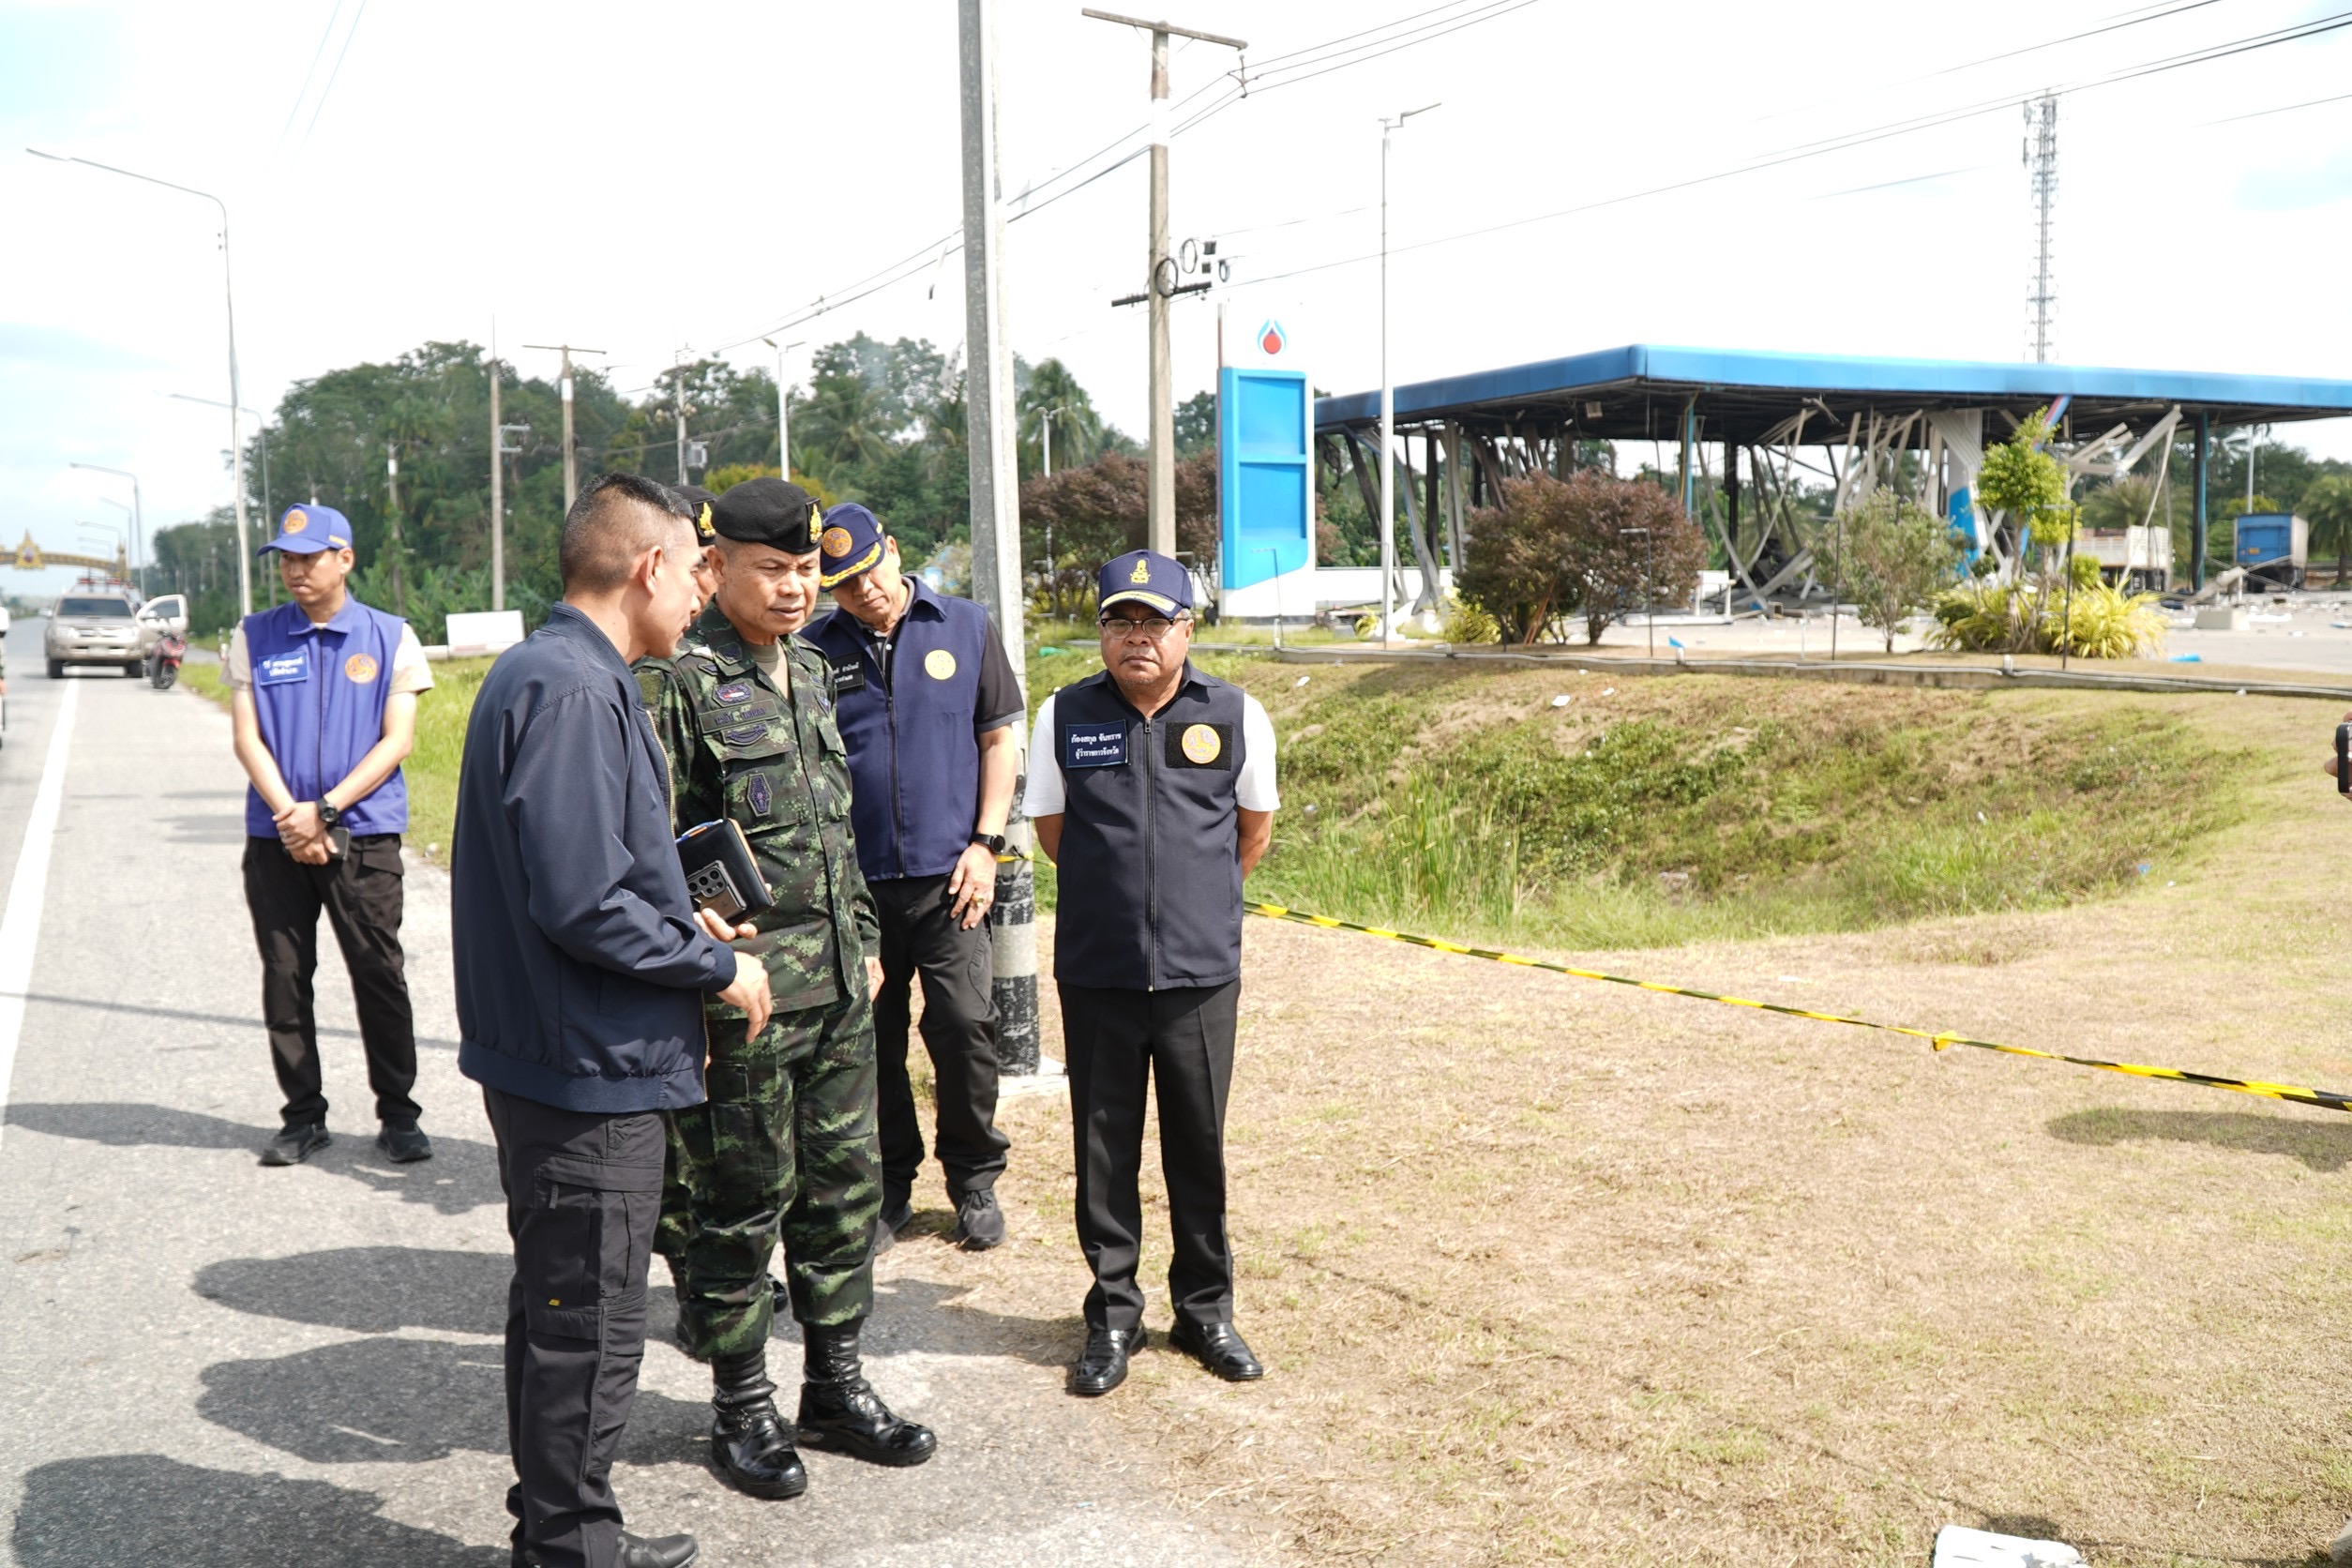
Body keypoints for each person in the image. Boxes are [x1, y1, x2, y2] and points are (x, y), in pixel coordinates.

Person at [453, 472, 774, 1568]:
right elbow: (582, 902)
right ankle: (575, 1546)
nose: (702, 590)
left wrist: (675, 910)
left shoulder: (557, 674)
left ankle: (553, 1525)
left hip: (564, 1051)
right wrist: (711, 966)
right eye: (695, 568)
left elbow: (587, 875)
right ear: (647, 568)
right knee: (588, 1324)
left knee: (556, 1310)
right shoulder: (578, 689)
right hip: (584, 1065)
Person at [643, 476, 936, 1500]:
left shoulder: (813, 672)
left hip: (837, 993)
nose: (794, 587)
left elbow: (834, 826)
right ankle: (739, 1404)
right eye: (772, 568)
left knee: (844, 1192)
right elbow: (653, 849)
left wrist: (861, 938)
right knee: (739, 1199)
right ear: (716, 566)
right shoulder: (677, 681)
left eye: (807, 568)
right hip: (747, 996)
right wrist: (707, 966)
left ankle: (835, 1384)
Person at [1028, 550, 1280, 1397]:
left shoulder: (1236, 714)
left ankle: (1206, 1310)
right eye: (1118, 621)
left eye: (1153, 621)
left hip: (1200, 974)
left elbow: (1251, 834)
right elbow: (1054, 833)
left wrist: (1188, 907)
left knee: (1196, 1148)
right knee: (1103, 1153)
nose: (1135, 638)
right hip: (1098, 970)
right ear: (1101, 631)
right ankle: (1112, 1317)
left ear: (1187, 629)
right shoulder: (1062, 714)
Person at [803, 502, 1022, 1253]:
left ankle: (974, 1179)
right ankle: (889, 1184)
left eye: (868, 572)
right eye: (842, 584)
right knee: (871, 1038)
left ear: (893, 551)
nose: (861, 592)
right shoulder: (813, 649)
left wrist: (986, 844)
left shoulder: (965, 626)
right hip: (857, 889)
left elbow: (998, 741)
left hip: (950, 875)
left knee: (964, 1025)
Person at [227, 504, 434, 1168]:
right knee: (286, 977)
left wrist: (327, 809)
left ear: (345, 559)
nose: (294, 571)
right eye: (285, 559)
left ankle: (399, 1115)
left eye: (308, 558)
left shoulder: (390, 635)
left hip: (364, 835)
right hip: (277, 838)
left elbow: (397, 740)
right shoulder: (254, 636)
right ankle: (302, 1116)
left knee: (378, 973)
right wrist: (293, 815)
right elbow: (246, 738)